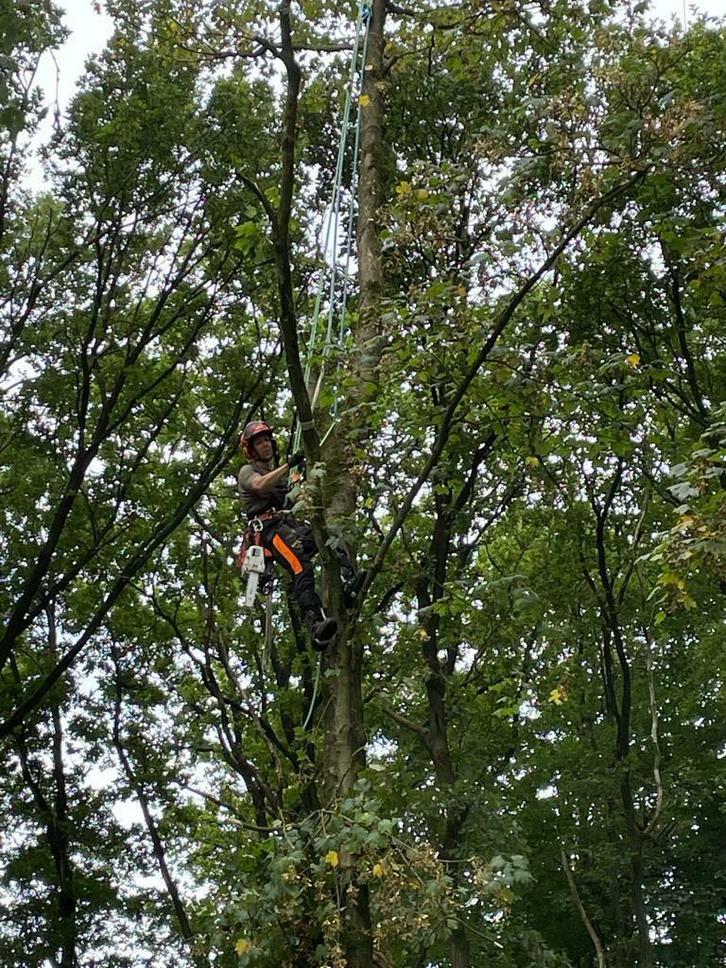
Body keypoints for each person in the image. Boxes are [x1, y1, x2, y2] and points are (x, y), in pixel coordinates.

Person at [237, 420, 338, 649]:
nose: (265, 446)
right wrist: (287, 466)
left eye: (267, 441)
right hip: (270, 532)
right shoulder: (248, 471)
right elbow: (260, 486)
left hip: (288, 525)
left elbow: (293, 499)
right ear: (251, 450)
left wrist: (301, 483)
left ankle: (347, 581)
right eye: (259, 443)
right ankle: (315, 625)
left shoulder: (282, 478)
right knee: (299, 564)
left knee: (329, 538)